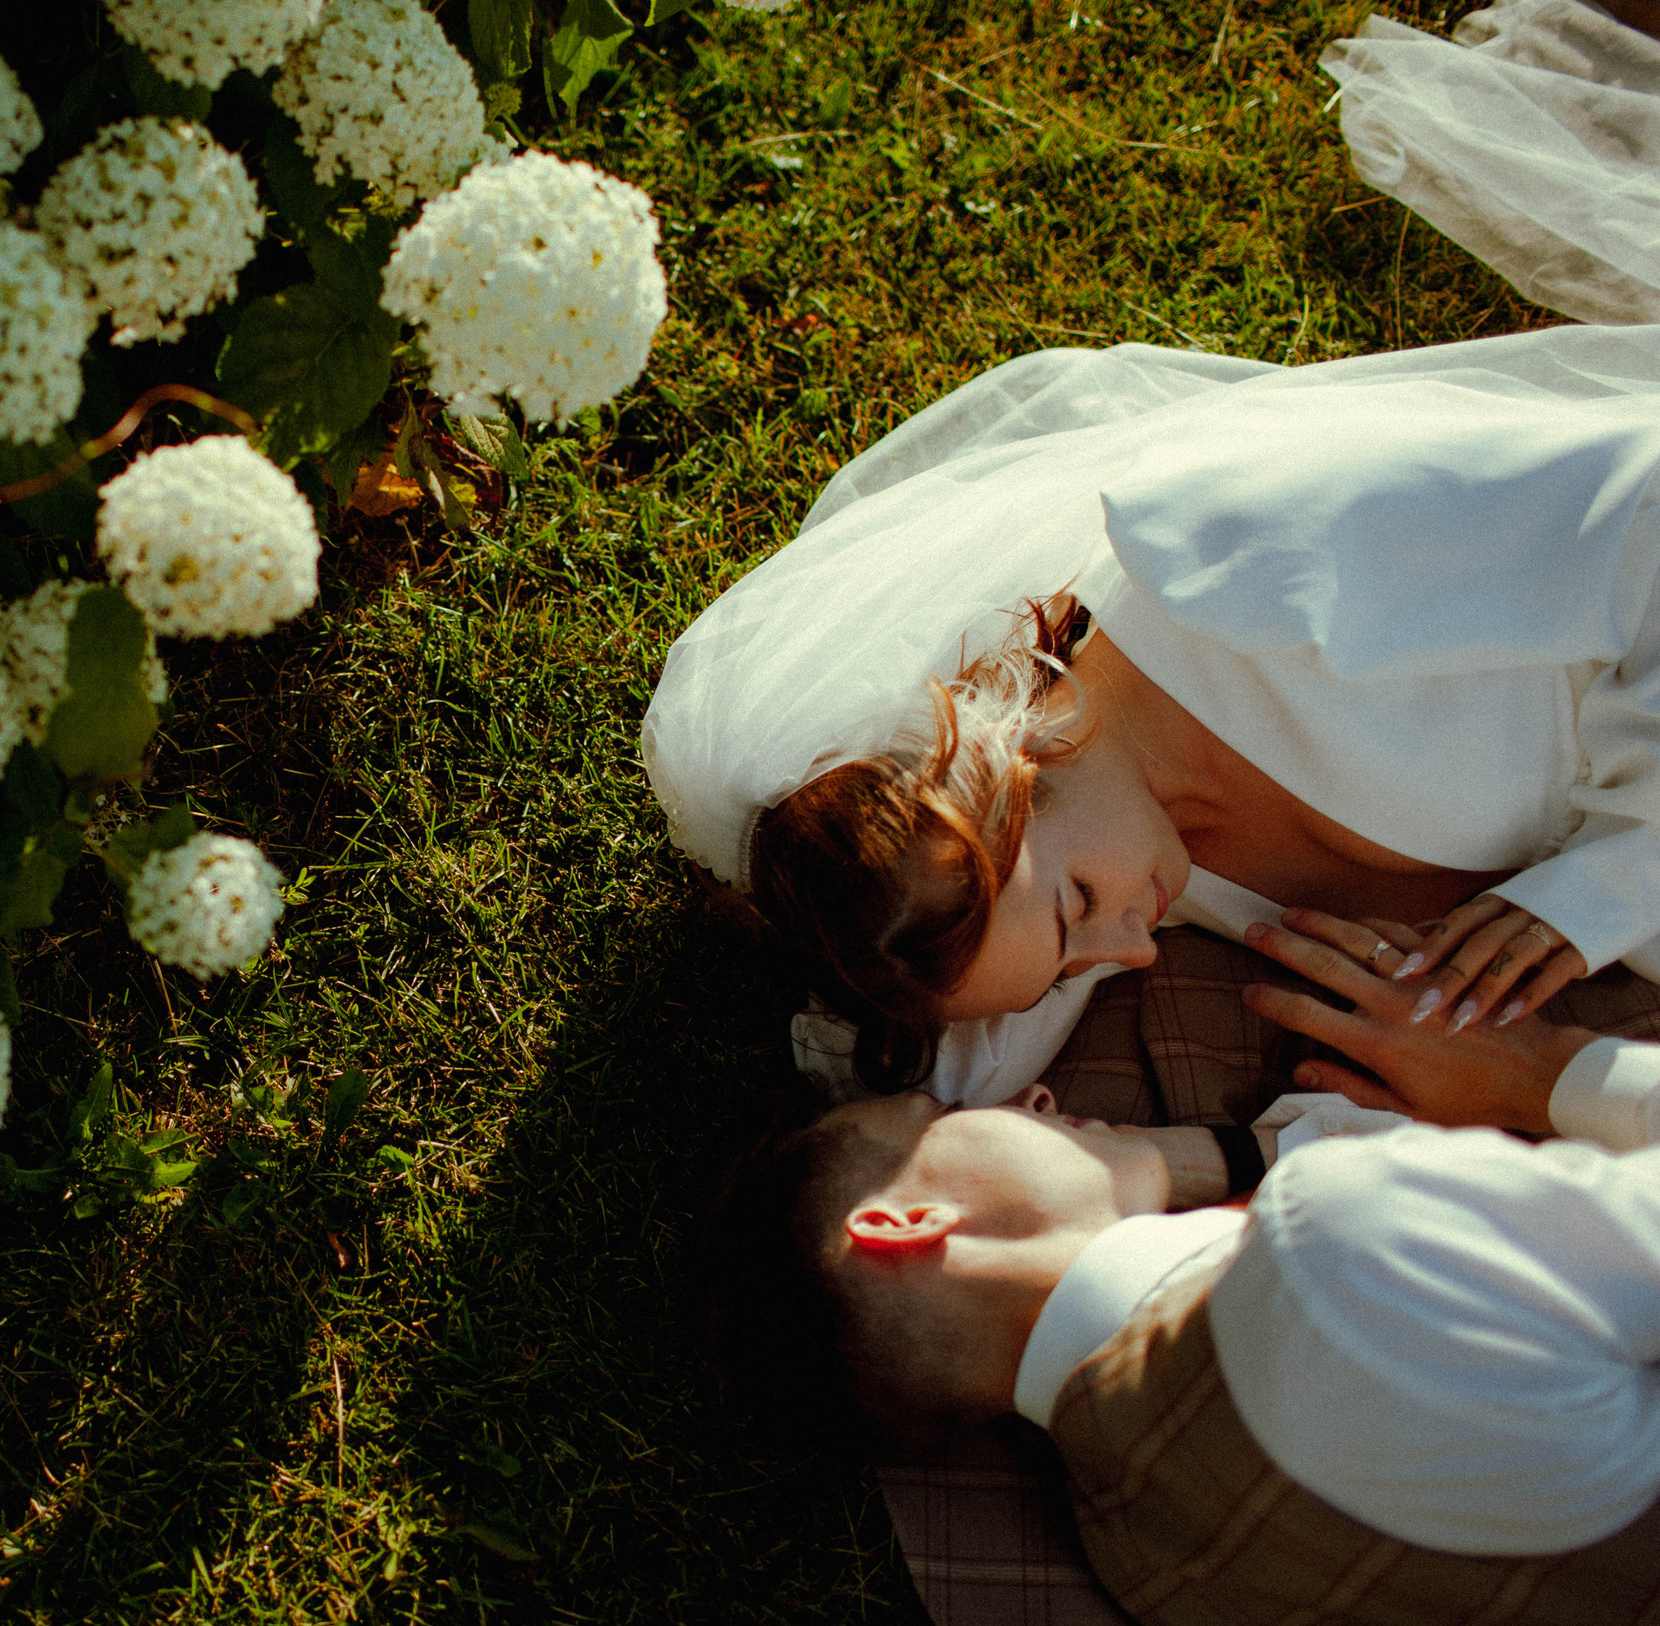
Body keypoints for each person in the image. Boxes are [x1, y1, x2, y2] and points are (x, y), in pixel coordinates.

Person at [641, 0, 1660, 1108]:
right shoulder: (1139, 860)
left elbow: (1643, 504)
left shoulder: (1233, 550)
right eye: (1065, 971)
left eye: (1078, 907)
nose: (1126, 952)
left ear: (1017, 757)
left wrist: (1604, 887)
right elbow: (949, 1065)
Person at [708, 931, 1660, 1626]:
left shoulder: (1158, 1581)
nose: (1035, 1096)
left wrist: (1187, 1159)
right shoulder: (1328, 1248)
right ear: (905, 1222)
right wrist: (1545, 1073)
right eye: (939, 1116)